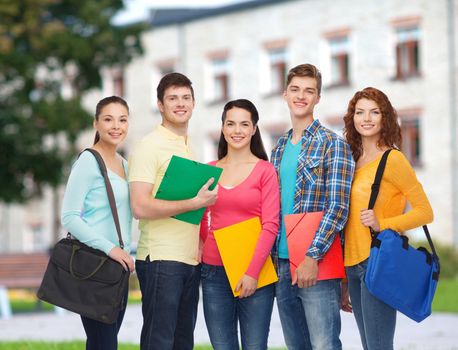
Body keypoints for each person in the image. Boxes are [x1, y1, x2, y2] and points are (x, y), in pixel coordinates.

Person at [128, 72, 218, 350]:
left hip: (189, 260)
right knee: (159, 342)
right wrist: (195, 203)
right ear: (160, 104)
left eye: (186, 98)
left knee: (182, 343)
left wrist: (201, 240)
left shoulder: (188, 147)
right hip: (160, 259)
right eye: (173, 98)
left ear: (194, 102)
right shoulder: (148, 146)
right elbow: (139, 206)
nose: (180, 104)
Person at [271, 63, 355, 350]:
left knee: (324, 345)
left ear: (318, 97)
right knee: (296, 345)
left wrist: (311, 256)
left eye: (309, 91)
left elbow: (338, 207)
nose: (301, 96)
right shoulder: (279, 147)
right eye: (295, 89)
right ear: (285, 94)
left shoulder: (333, 144)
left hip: (316, 263)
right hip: (281, 263)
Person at [342, 87, 433, 350]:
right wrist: (343, 276)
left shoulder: (393, 160)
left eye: (374, 112)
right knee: (369, 345)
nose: (366, 118)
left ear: (385, 118)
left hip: (377, 261)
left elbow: (425, 211)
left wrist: (384, 223)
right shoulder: (353, 160)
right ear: (353, 118)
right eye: (360, 112)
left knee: (379, 346)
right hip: (352, 265)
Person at [200, 99, 280, 350]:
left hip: (255, 271)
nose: (237, 130)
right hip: (213, 272)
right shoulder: (209, 170)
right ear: (222, 128)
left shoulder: (265, 171)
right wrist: (202, 244)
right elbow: (200, 215)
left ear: (254, 129)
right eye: (231, 124)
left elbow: (270, 225)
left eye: (244, 124)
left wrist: (252, 273)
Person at [61, 96, 134, 350]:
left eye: (122, 120)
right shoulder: (88, 161)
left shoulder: (125, 165)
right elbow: (69, 216)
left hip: (119, 270)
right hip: (94, 266)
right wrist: (111, 248)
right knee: (105, 344)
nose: (116, 126)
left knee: (101, 343)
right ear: (96, 124)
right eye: (108, 119)